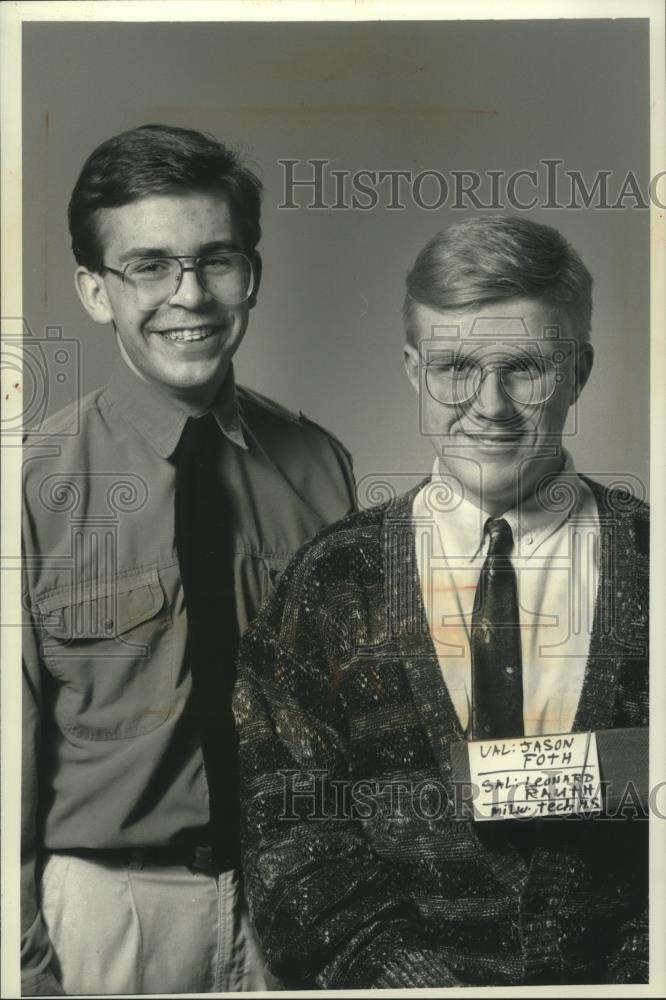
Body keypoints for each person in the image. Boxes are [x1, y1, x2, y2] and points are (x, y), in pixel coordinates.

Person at [234, 215, 649, 988]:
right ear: (413, 369)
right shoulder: (328, 582)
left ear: (581, 370)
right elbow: (291, 835)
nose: (489, 405)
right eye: (455, 367)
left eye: (525, 367)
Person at [21, 124, 356, 996]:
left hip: (296, 904)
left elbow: (351, 721)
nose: (190, 296)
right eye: (149, 266)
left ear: (253, 275)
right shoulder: (29, 485)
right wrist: (22, 966)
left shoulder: (320, 467)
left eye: (216, 261)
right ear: (95, 290)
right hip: (109, 911)